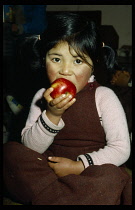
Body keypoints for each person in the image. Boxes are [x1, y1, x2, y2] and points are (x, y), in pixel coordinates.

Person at [3, 13, 132, 205]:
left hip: (90, 172)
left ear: (94, 64)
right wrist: (52, 115)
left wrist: (79, 166)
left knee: (112, 177)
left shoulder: (104, 96)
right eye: (56, 59)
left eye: (78, 61)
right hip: (50, 169)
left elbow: (121, 148)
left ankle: (52, 197)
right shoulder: (41, 96)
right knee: (11, 152)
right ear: (43, 59)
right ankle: (66, 198)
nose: (65, 70)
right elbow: (31, 148)